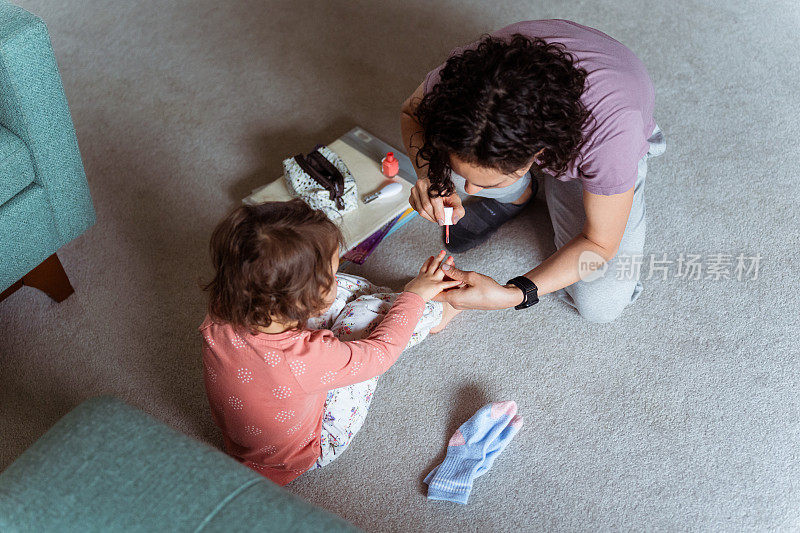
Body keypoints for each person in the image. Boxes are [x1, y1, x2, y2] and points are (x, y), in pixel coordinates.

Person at [401, 20, 666, 322]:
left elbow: (600, 243)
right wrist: (430, 176)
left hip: (609, 128)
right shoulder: (464, 84)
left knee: (600, 305)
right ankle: (519, 194)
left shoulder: (609, 139)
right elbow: (411, 111)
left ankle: (564, 183)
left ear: (540, 153)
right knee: (452, 171)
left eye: (495, 179)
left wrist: (514, 293)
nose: (468, 191)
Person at [199, 200, 461, 485]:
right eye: (330, 273)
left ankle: (396, 300)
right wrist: (415, 297)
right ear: (305, 298)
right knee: (365, 313)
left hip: (247, 442)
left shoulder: (222, 308)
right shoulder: (305, 358)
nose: (335, 275)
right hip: (312, 447)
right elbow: (379, 355)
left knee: (347, 289)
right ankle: (435, 312)